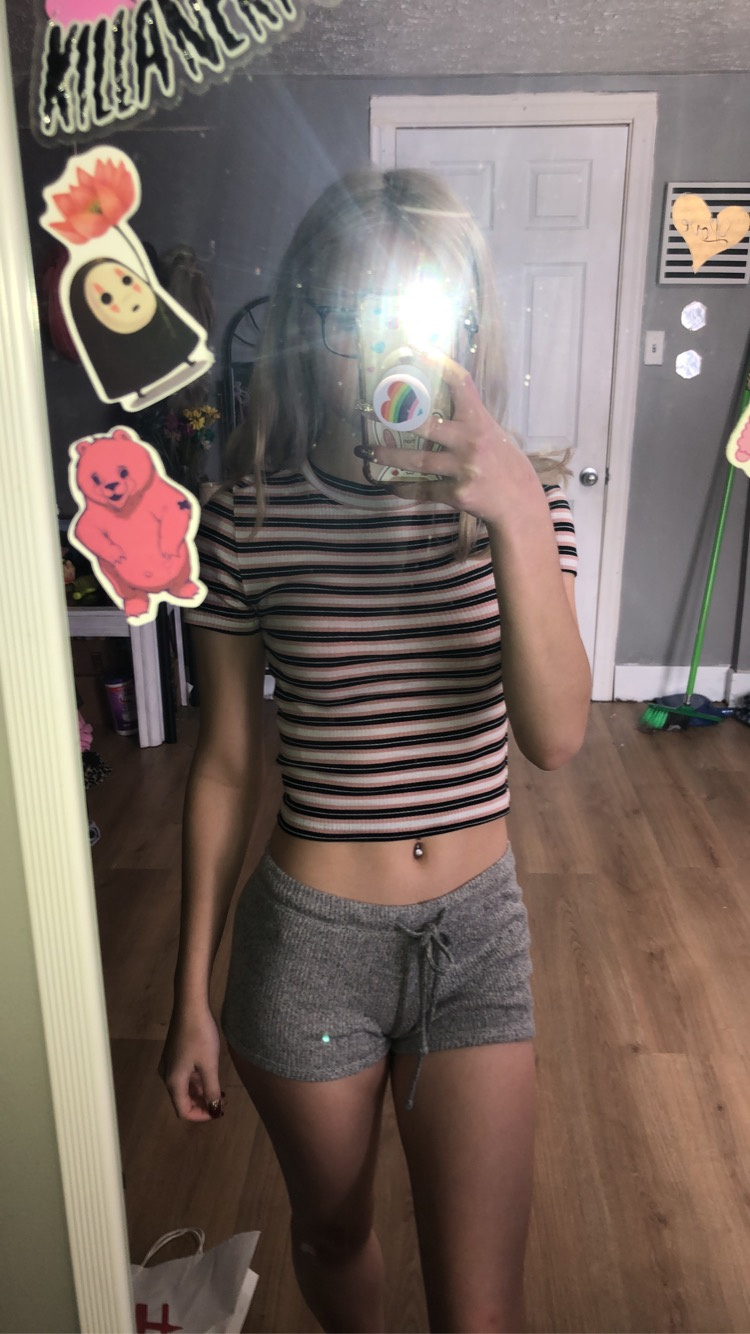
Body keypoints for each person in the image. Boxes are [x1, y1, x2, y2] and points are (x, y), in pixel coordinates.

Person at [160, 168, 591, 1333]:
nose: (383, 346)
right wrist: (188, 991)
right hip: (310, 948)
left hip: (476, 940)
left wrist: (511, 506)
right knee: (332, 1231)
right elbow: (225, 762)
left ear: (468, 325)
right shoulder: (245, 515)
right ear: (313, 324)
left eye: (420, 310)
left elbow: (556, 736)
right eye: (356, 312)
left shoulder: (526, 503)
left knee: (481, 1309)